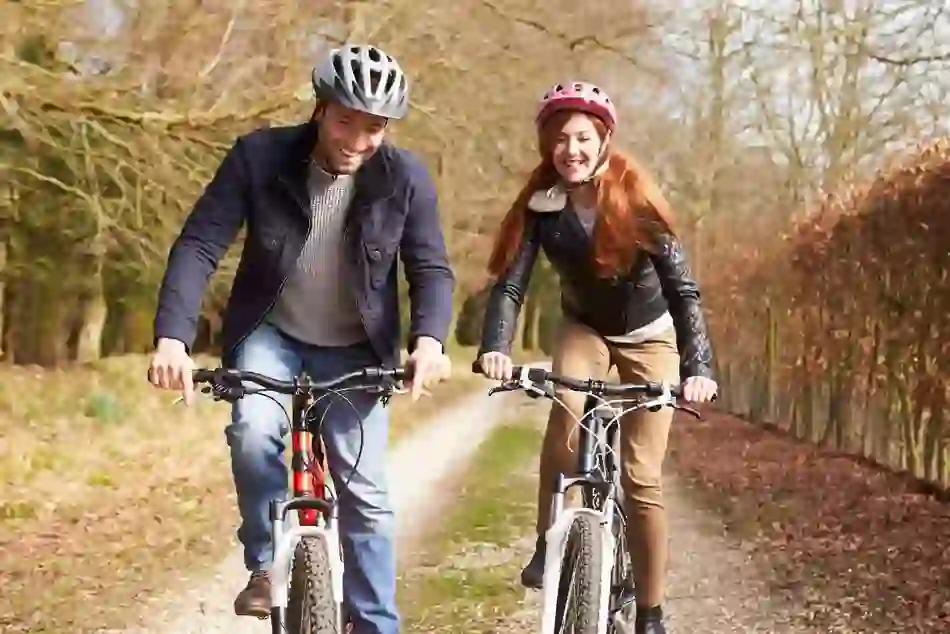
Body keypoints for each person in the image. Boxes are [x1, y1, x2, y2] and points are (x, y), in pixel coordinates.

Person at [147, 44, 454, 634]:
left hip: (355, 349)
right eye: (345, 121)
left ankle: (375, 625)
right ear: (319, 109)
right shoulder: (258, 157)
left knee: (365, 495)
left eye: (374, 128)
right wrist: (172, 338)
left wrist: (431, 341)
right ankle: (264, 563)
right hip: (273, 333)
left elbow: (431, 268)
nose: (357, 140)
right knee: (255, 431)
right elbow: (199, 244)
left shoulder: (405, 177)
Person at [475, 81, 717, 634]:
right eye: (560, 140)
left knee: (641, 476)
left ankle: (651, 611)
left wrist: (698, 368)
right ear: (547, 146)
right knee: (566, 407)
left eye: (583, 138)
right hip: (586, 329)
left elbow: (684, 291)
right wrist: (495, 347)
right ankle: (546, 543)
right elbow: (510, 285)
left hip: (650, 337)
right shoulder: (542, 205)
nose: (571, 150)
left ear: (604, 139)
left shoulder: (636, 199)